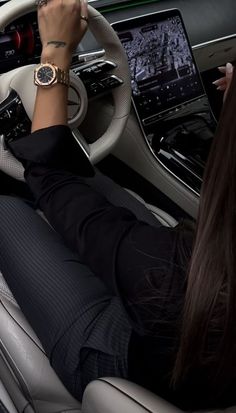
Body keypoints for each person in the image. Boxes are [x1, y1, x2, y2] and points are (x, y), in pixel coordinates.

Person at [0, 0, 236, 409]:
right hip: (192, 346)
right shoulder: (182, 262)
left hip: (120, 354)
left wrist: (54, 51)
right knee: (94, 179)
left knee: (6, 205)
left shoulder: (169, 275)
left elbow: (48, 174)